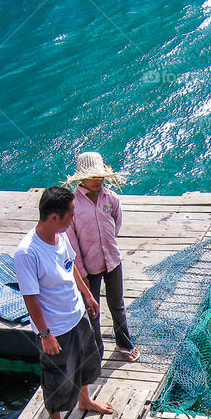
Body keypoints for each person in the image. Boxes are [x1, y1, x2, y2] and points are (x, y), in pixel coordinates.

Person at [14, 186, 113, 419]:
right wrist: (45, 335)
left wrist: (88, 295)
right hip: (55, 329)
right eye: (71, 214)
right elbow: (30, 298)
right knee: (56, 379)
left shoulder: (61, 236)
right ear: (54, 217)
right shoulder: (27, 253)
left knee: (86, 361)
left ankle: (85, 400)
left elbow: (72, 267)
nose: (74, 218)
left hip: (77, 315)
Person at [64, 151, 139, 362]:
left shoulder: (111, 197)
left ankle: (124, 343)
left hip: (112, 260)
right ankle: (96, 351)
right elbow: (72, 241)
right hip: (89, 267)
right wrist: (81, 272)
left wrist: (107, 243)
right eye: (92, 176)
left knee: (118, 305)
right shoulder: (72, 204)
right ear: (81, 178)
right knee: (92, 309)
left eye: (100, 176)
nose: (98, 180)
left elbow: (116, 223)